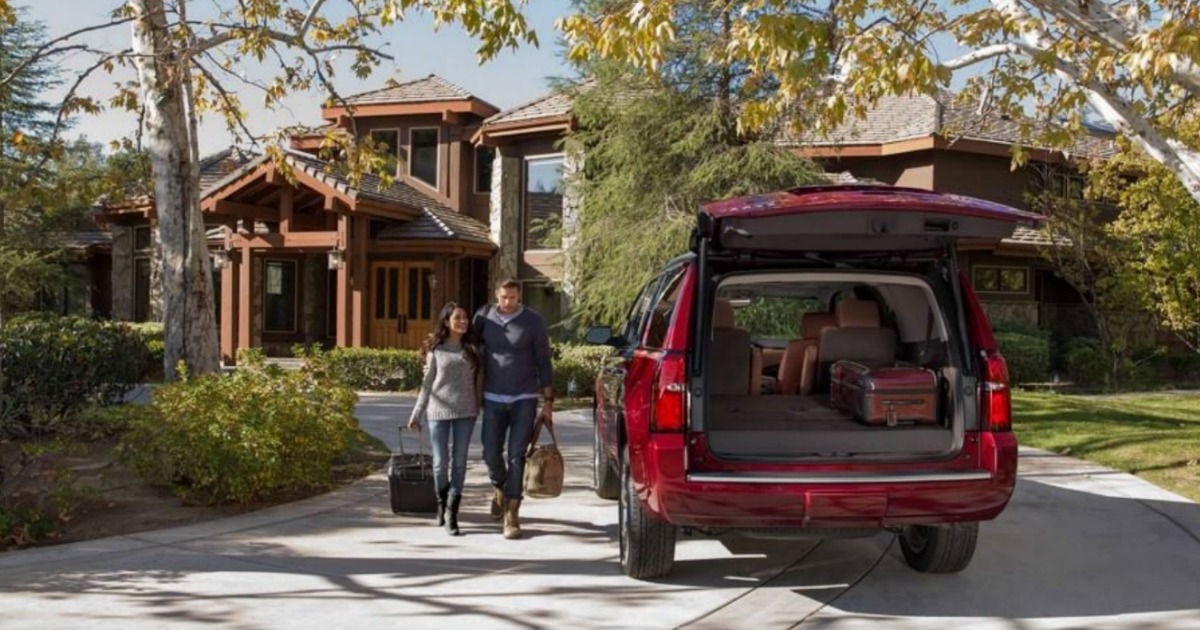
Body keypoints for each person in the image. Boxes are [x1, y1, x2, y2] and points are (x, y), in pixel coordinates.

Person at [473, 278, 554, 540]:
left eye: (513, 298)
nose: (508, 303)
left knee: (517, 455)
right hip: (492, 396)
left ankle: (512, 513)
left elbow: (543, 358)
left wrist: (549, 400)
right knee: (490, 452)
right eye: (503, 297)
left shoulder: (533, 320)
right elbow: (470, 350)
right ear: (496, 295)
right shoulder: (483, 317)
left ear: (520, 296)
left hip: (524, 397)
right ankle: (501, 486)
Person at [407, 302, 484, 536]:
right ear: (446, 321)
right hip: (437, 412)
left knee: (459, 463)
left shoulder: (473, 347)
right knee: (441, 463)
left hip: (466, 412)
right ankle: (441, 503)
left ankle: (452, 511)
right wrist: (416, 412)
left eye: (465, 318)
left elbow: (481, 379)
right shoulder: (436, 349)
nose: (463, 322)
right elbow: (427, 383)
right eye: (458, 318)